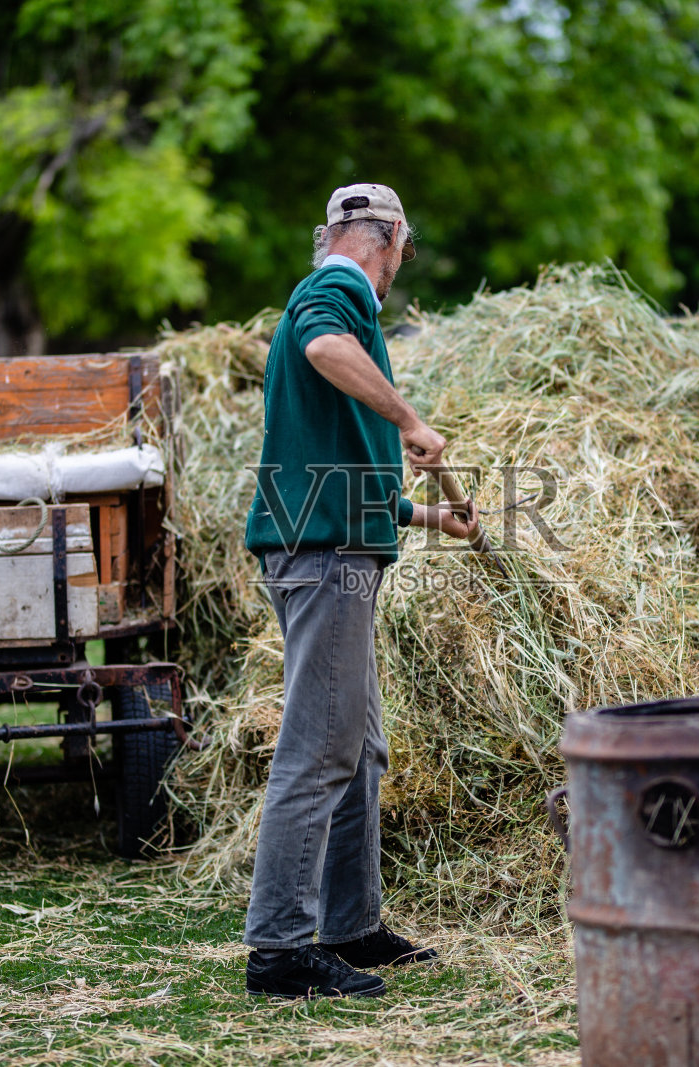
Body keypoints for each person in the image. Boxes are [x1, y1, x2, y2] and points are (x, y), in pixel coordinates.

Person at [242, 183, 477, 999]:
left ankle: (350, 922)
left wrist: (427, 517)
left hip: (333, 541)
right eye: (404, 251)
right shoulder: (338, 291)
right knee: (320, 750)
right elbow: (322, 350)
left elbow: (338, 463)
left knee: (360, 749)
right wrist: (411, 418)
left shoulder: (332, 294)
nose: (398, 267)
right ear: (385, 239)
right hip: (324, 557)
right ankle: (277, 948)